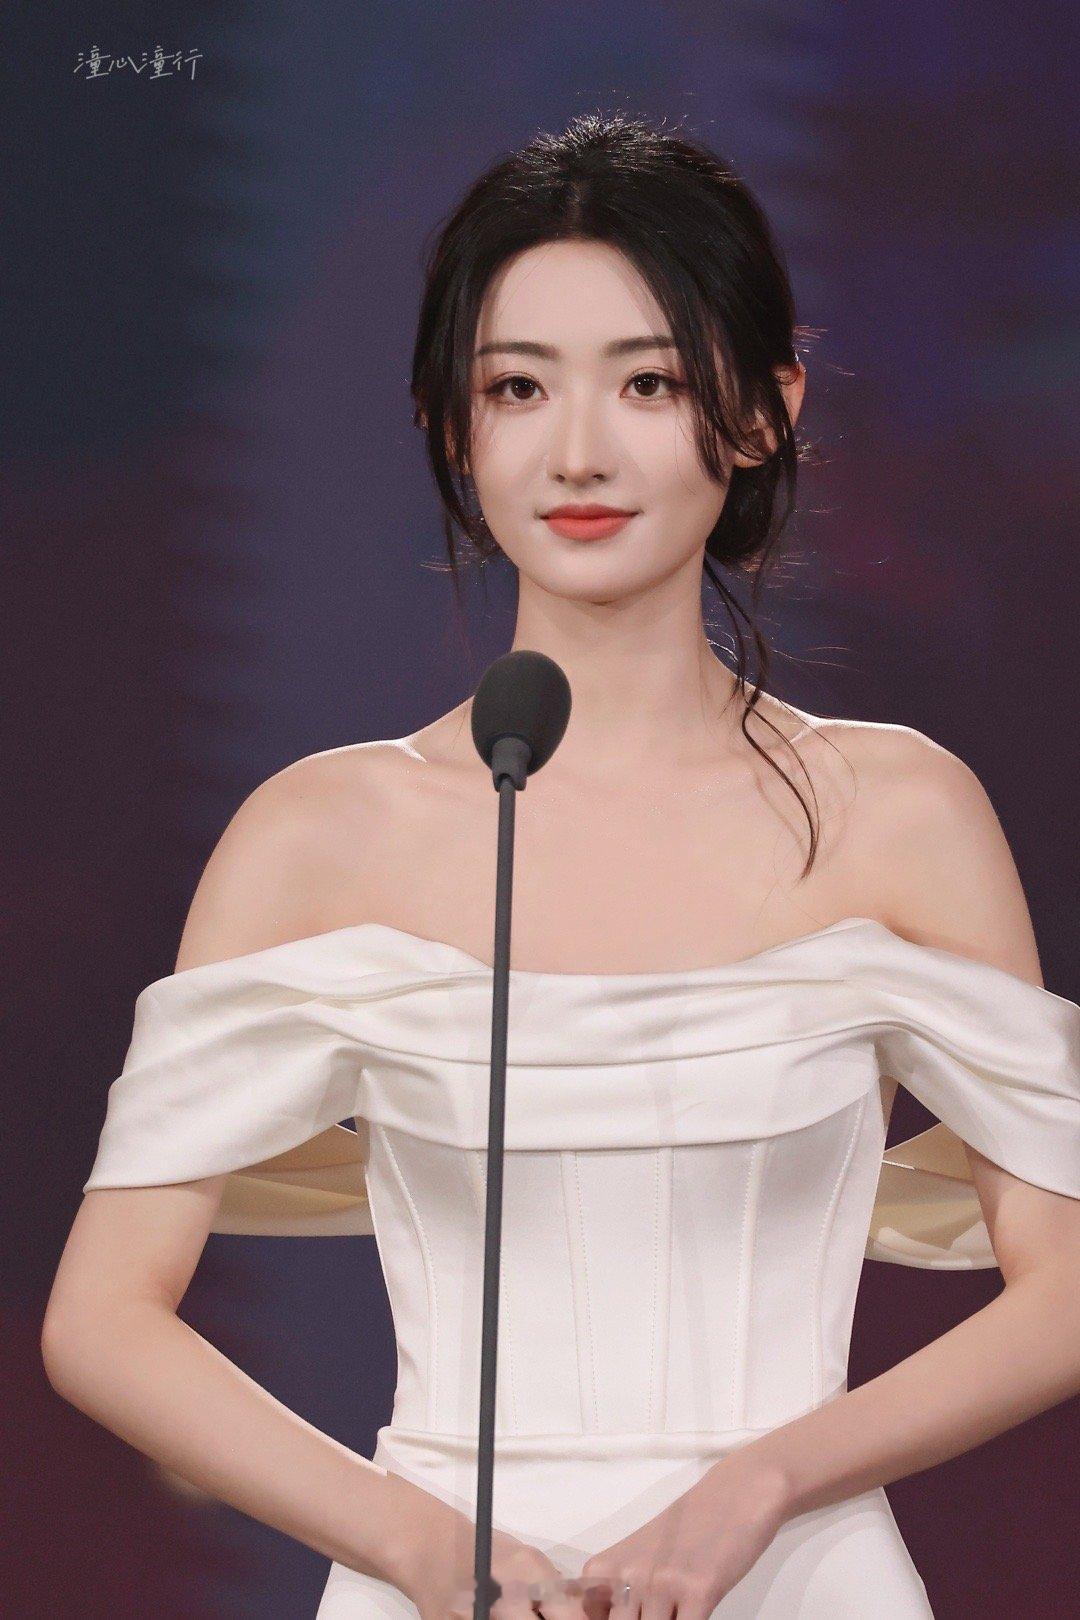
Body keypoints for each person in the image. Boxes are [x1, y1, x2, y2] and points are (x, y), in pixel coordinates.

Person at [42, 112, 1080, 1619]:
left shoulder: (898, 812)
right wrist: (416, 1544)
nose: (577, 450)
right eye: (517, 387)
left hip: (800, 1573)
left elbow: (1064, 1285)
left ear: (764, 408)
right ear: (450, 427)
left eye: (649, 382)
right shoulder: (321, 834)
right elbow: (104, 1318)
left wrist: (766, 1482)